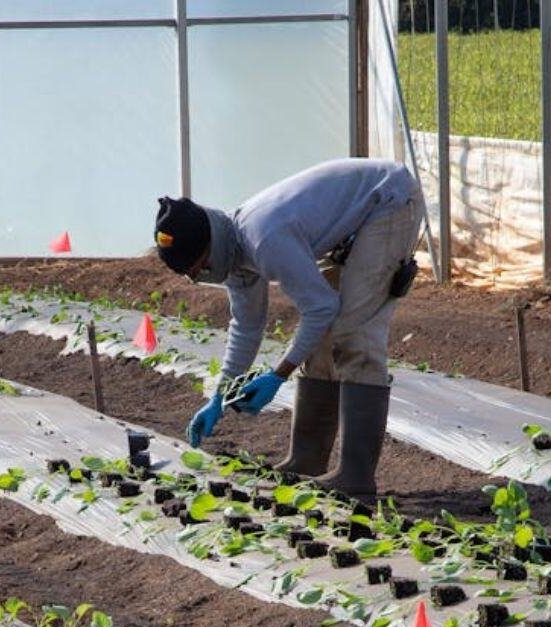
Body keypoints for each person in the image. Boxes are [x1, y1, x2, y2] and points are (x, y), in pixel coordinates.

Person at [153, 158, 422, 502]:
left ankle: (355, 476)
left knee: (354, 333)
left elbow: (320, 307)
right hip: (360, 216)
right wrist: (219, 396)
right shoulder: (232, 254)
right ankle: (306, 459)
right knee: (321, 338)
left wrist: (278, 374)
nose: (200, 277)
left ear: (209, 248)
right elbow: (247, 326)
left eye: (199, 268)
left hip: (389, 201)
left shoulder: (263, 240)